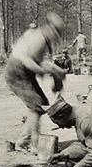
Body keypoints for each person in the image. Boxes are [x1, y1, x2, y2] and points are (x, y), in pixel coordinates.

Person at [4, 12, 67, 155]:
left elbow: (39, 60)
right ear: (50, 29)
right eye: (56, 33)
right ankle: (33, 144)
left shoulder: (42, 37)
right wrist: (43, 72)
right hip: (17, 71)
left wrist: (57, 70)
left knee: (39, 103)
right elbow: (27, 61)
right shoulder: (38, 39)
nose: (56, 37)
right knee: (36, 106)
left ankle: (23, 141)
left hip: (24, 70)